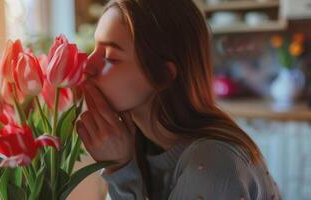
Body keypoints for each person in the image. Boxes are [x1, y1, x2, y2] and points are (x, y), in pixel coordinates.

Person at [76, 0, 281, 199]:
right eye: (95, 48)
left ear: (162, 74)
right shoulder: (137, 145)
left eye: (111, 57)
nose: (87, 66)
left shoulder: (214, 163)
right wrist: (120, 165)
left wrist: (120, 171)